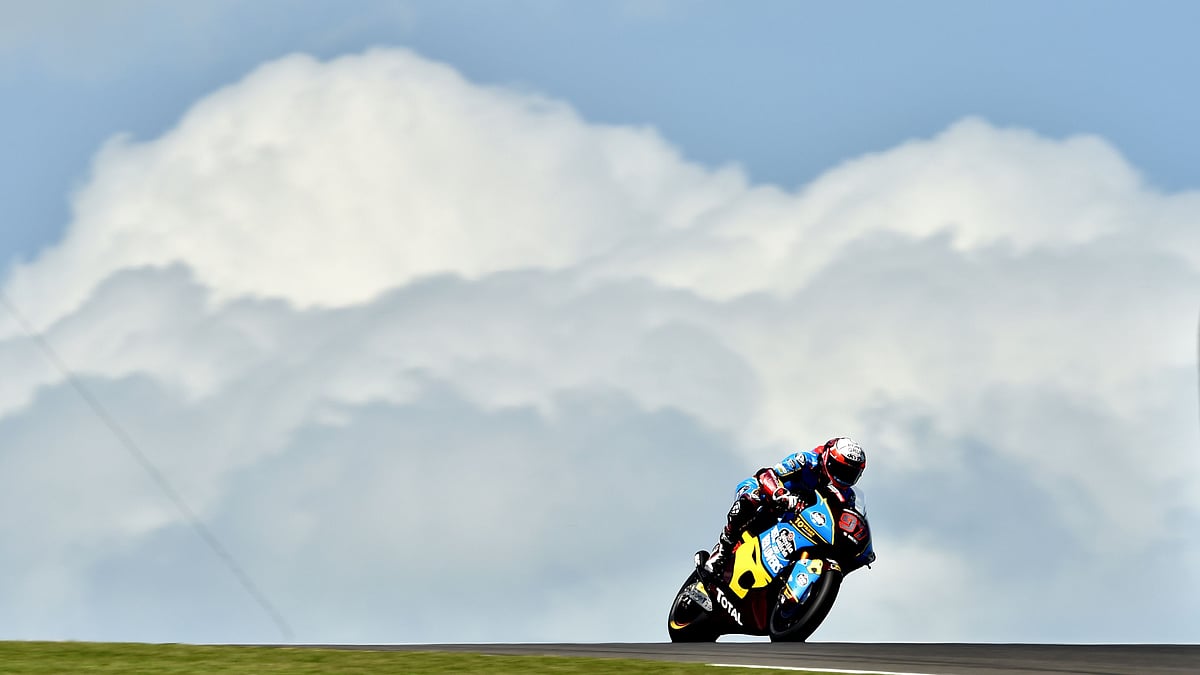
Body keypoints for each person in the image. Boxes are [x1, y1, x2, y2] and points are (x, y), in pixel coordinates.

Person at [702, 437, 868, 576]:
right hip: (769, 497)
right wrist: (781, 494)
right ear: (828, 460)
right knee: (752, 499)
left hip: (797, 524)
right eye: (841, 470)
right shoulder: (806, 460)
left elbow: (843, 523)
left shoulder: (847, 496)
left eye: (851, 474)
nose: (844, 477)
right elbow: (768, 474)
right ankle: (723, 548)